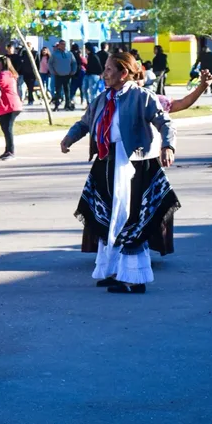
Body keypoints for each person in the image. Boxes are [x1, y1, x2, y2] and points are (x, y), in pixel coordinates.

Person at [61, 51, 179, 294]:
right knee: (108, 216)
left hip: (134, 165)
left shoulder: (141, 97)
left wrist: (168, 145)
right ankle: (114, 271)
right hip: (107, 162)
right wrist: (69, 138)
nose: (104, 74)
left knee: (130, 219)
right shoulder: (103, 98)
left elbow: (164, 122)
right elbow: (85, 123)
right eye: (104, 69)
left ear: (124, 73)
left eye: (108, 69)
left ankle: (135, 279)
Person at [0, 56, 22, 161]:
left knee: (8, 129)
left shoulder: (3, 75)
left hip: (9, 105)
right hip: (9, 105)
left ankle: (10, 151)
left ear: (3, 65)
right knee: (5, 129)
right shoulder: (10, 74)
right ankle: (7, 150)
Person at [49, 40, 77, 111]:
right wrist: (53, 72)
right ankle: (56, 105)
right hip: (58, 75)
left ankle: (67, 105)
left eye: (64, 44)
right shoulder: (55, 54)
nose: (63, 46)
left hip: (67, 75)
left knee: (67, 91)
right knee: (58, 91)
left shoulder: (69, 53)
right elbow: (50, 63)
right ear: (59, 45)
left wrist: (73, 71)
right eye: (61, 44)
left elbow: (74, 63)